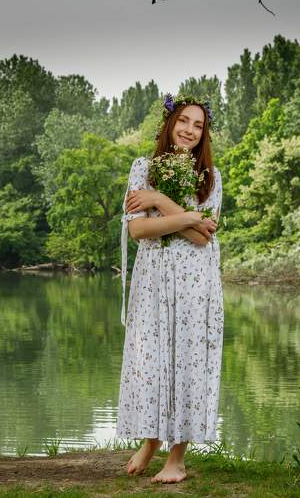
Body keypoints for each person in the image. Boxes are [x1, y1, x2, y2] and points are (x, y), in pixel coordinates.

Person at [115, 94, 224, 484]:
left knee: (187, 362)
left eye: (198, 125)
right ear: (169, 123)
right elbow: (138, 229)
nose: (190, 130)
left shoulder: (210, 176)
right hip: (152, 280)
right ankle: (151, 440)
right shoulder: (143, 168)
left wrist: (159, 200)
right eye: (183, 121)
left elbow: (201, 238)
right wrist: (190, 217)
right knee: (151, 361)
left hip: (195, 283)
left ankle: (177, 460)